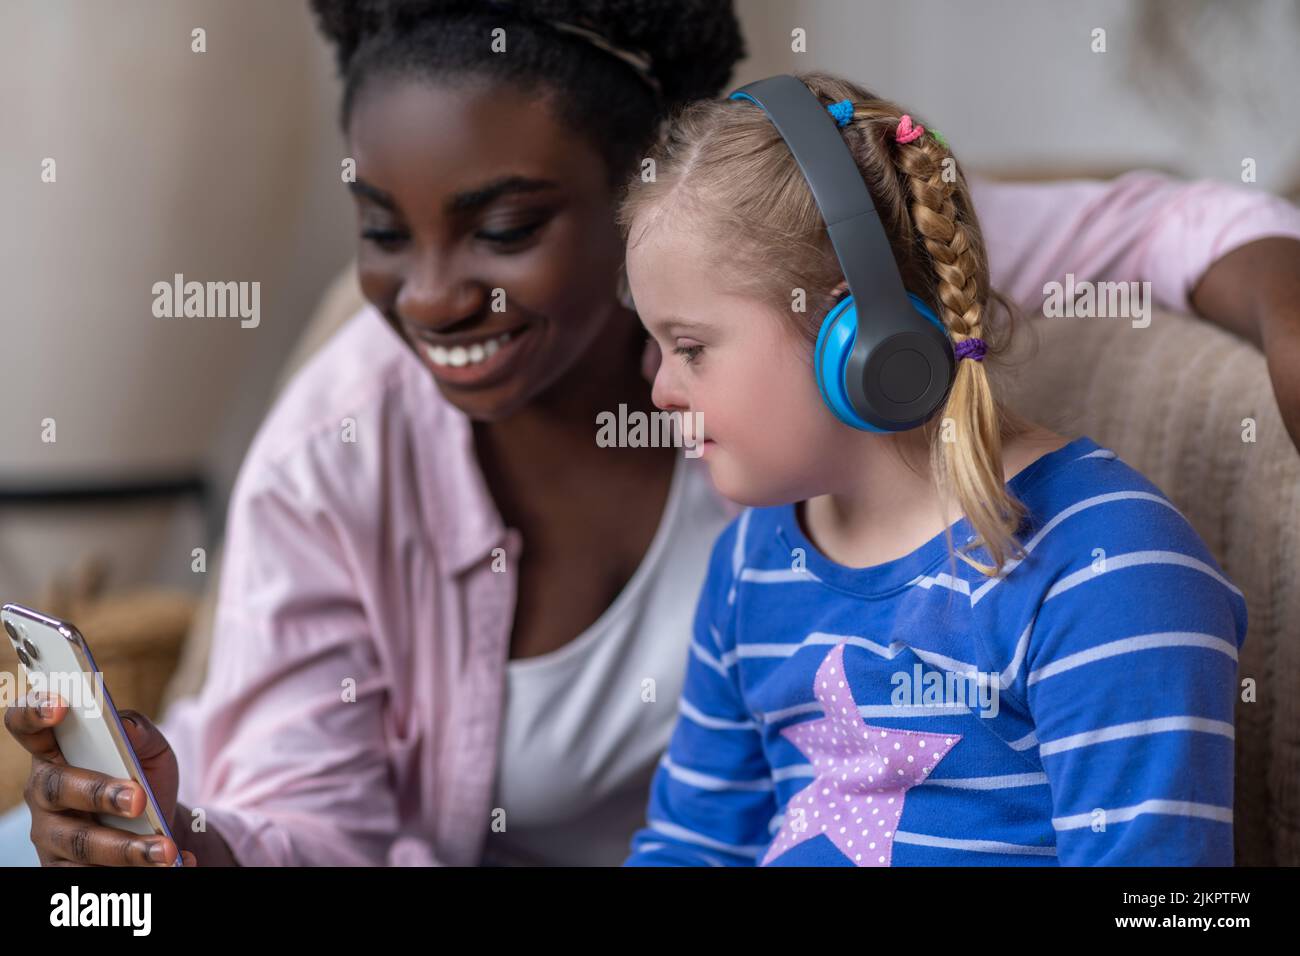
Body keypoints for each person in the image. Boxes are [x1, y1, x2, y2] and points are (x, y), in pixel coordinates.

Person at [4, 0, 1298, 867]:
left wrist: (1280, 307)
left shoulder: (1091, 554)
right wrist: (189, 841)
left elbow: (1127, 231)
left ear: (874, 335)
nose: (433, 294)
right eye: (385, 232)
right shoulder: (756, 559)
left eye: (506, 225)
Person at [621, 71, 1246, 866]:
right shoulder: (749, 566)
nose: (660, 389)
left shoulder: (1107, 570)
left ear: (855, 328)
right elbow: (692, 846)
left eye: (691, 347)